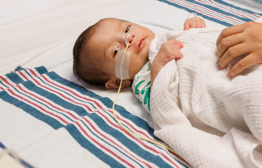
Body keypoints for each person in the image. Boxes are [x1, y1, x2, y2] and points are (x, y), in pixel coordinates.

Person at [72, 14, 206, 112]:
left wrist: (194, 29)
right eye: (116, 50)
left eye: (127, 29)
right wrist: (159, 64)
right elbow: (161, 105)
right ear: (118, 82)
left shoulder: (164, 37)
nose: (128, 37)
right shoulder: (142, 80)